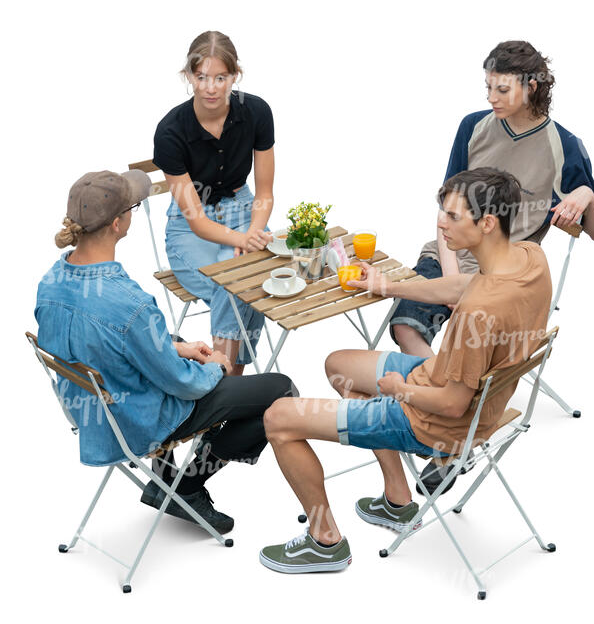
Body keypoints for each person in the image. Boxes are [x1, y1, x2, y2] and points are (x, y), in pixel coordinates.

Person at [258, 167, 552, 573]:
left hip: (435, 422)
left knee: (278, 419)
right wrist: (385, 286)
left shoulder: (479, 314)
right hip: (449, 384)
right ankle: (397, 500)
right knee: (338, 364)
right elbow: (460, 287)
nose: (440, 223)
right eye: (442, 212)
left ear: (486, 223)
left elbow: (451, 404)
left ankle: (324, 540)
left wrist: (397, 390)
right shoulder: (528, 259)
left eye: (452, 216)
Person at [35, 169, 296, 534]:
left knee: (172, 335)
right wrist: (217, 367)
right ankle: (185, 486)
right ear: (117, 223)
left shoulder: (51, 280)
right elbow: (184, 385)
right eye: (134, 207)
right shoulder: (131, 304)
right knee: (282, 389)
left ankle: (165, 480)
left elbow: (104, 339)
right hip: (138, 419)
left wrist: (179, 347)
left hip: (93, 409)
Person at [390, 40, 594, 360]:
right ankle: (442, 391)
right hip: (451, 257)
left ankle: (449, 396)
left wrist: (586, 193)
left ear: (531, 87)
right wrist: (451, 280)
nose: (492, 98)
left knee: (474, 348)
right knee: (406, 325)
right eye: (488, 87)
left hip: (505, 277)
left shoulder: (564, 145)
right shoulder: (473, 126)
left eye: (502, 90)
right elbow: (446, 209)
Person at [153, 30, 275, 375]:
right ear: (188, 76)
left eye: (221, 77)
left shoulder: (256, 112)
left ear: (234, 76)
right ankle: (233, 381)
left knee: (248, 280)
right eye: (202, 77)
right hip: (192, 228)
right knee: (235, 283)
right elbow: (195, 220)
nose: (210, 87)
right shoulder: (170, 132)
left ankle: (226, 384)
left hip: (244, 211)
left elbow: (264, 193)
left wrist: (252, 231)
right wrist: (242, 242)